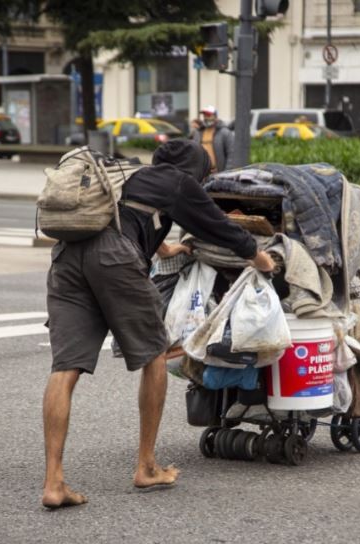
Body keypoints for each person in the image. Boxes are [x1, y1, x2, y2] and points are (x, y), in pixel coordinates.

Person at [41, 139, 275, 509]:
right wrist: (260, 258)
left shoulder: (133, 175)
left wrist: (165, 249)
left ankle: (54, 483)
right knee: (155, 355)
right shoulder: (180, 182)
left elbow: (129, 218)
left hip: (68, 259)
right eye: (206, 171)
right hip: (115, 259)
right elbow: (220, 228)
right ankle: (147, 466)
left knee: (65, 368)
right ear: (195, 168)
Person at [190, 105, 234, 173]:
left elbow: (231, 154)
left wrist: (227, 172)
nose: (206, 117)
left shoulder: (225, 133)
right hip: (202, 173)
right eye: (204, 115)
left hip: (219, 173)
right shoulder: (198, 133)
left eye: (208, 115)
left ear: (215, 116)